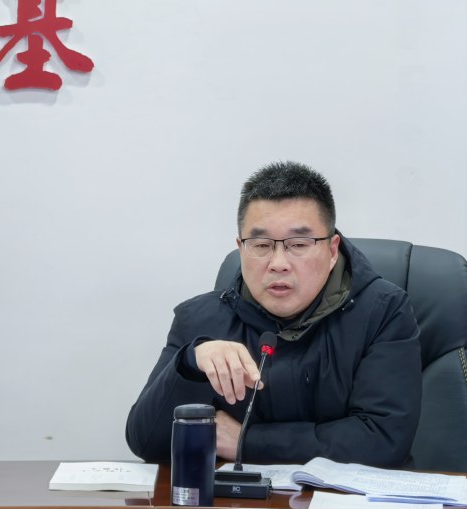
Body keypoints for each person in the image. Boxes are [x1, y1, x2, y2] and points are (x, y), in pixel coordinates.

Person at [125, 161, 422, 468]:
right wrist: (189, 364)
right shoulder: (199, 320)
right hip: (233, 499)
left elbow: (383, 440)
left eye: (299, 244)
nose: (278, 263)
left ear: (332, 250)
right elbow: (147, 443)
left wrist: (246, 441)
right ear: (241, 248)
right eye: (262, 245)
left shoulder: (383, 312)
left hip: (344, 500)